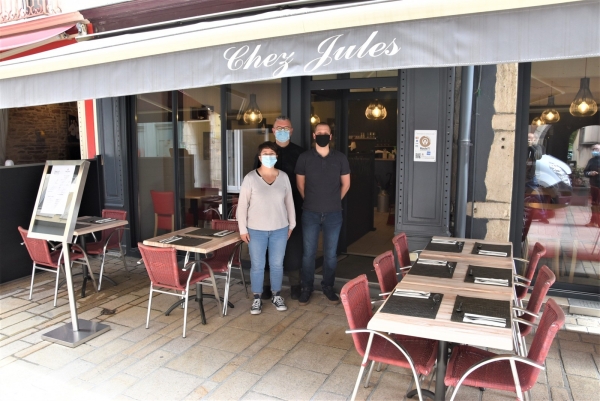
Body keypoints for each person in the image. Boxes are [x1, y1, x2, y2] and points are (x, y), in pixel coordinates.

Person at [295, 122, 350, 305]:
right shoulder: (304, 158)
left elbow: (346, 184)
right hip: (310, 212)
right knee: (308, 253)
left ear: (331, 136)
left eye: (326, 133)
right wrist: (310, 200)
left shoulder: (340, 158)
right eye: (319, 133)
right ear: (314, 135)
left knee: (331, 254)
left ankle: (328, 286)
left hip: (334, 213)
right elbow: (300, 184)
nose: (323, 135)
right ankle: (307, 287)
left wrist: (335, 200)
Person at [238, 141, 296, 315]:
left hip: (280, 228)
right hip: (256, 229)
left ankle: (276, 295)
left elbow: (289, 203)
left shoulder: (284, 177)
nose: (269, 156)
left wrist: (291, 225)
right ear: (259, 157)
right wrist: (243, 229)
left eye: (272, 153)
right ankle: (257, 298)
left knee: (277, 264)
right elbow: (242, 206)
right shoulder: (250, 178)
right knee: (257, 265)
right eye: (265, 153)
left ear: (276, 156)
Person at [253, 116, 305, 300]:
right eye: (279, 127)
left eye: (286, 127)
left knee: (293, 246)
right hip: (267, 209)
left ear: (291, 130)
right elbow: (255, 180)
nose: (282, 130)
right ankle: (266, 285)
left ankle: (295, 285)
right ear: (273, 131)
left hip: (294, 206)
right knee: (267, 247)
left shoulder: (301, 153)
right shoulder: (264, 152)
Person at [525, 132, 548, 224]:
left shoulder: (537, 147)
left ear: (535, 140)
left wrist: (531, 146)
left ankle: (543, 215)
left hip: (530, 176)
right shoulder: (521, 145)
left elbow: (538, 156)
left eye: (531, 138)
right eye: (527, 138)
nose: (529, 140)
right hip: (521, 176)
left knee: (537, 195)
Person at [584, 143, 600, 228]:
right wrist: (590, 173)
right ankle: (593, 221)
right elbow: (585, 172)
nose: (595, 151)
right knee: (594, 205)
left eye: (597, 149)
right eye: (593, 149)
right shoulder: (591, 160)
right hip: (594, 185)